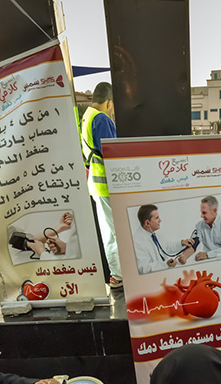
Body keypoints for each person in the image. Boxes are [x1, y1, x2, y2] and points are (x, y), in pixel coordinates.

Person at [81, 82, 122, 287]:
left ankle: (117, 275)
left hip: (96, 184)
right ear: (109, 102)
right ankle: (119, 275)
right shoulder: (102, 119)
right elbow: (111, 153)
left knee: (109, 233)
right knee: (116, 233)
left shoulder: (87, 115)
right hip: (107, 184)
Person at [132, 204, 178, 273]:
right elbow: (144, 268)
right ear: (147, 223)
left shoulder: (153, 234)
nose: (160, 220)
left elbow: (167, 247)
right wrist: (166, 264)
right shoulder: (137, 242)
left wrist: (182, 243)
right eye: (157, 218)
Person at [191, 195, 221, 262]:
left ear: (214, 211)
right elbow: (194, 244)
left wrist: (208, 255)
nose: (201, 216)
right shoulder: (199, 225)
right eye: (201, 212)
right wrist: (184, 256)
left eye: (204, 212)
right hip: (206, 261)